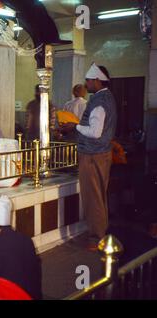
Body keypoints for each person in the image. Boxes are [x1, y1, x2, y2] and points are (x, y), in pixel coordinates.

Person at [59, 63, 117, 247]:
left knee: (92, 197)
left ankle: (96, 237)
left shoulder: (99, 102)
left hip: (93, 155)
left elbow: (95, 132)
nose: (86, 84)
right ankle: (100, 232)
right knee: (99, 195)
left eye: (89, 81)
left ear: (98, 81)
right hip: (101, 153)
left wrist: (73, 126)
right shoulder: (107, 97)